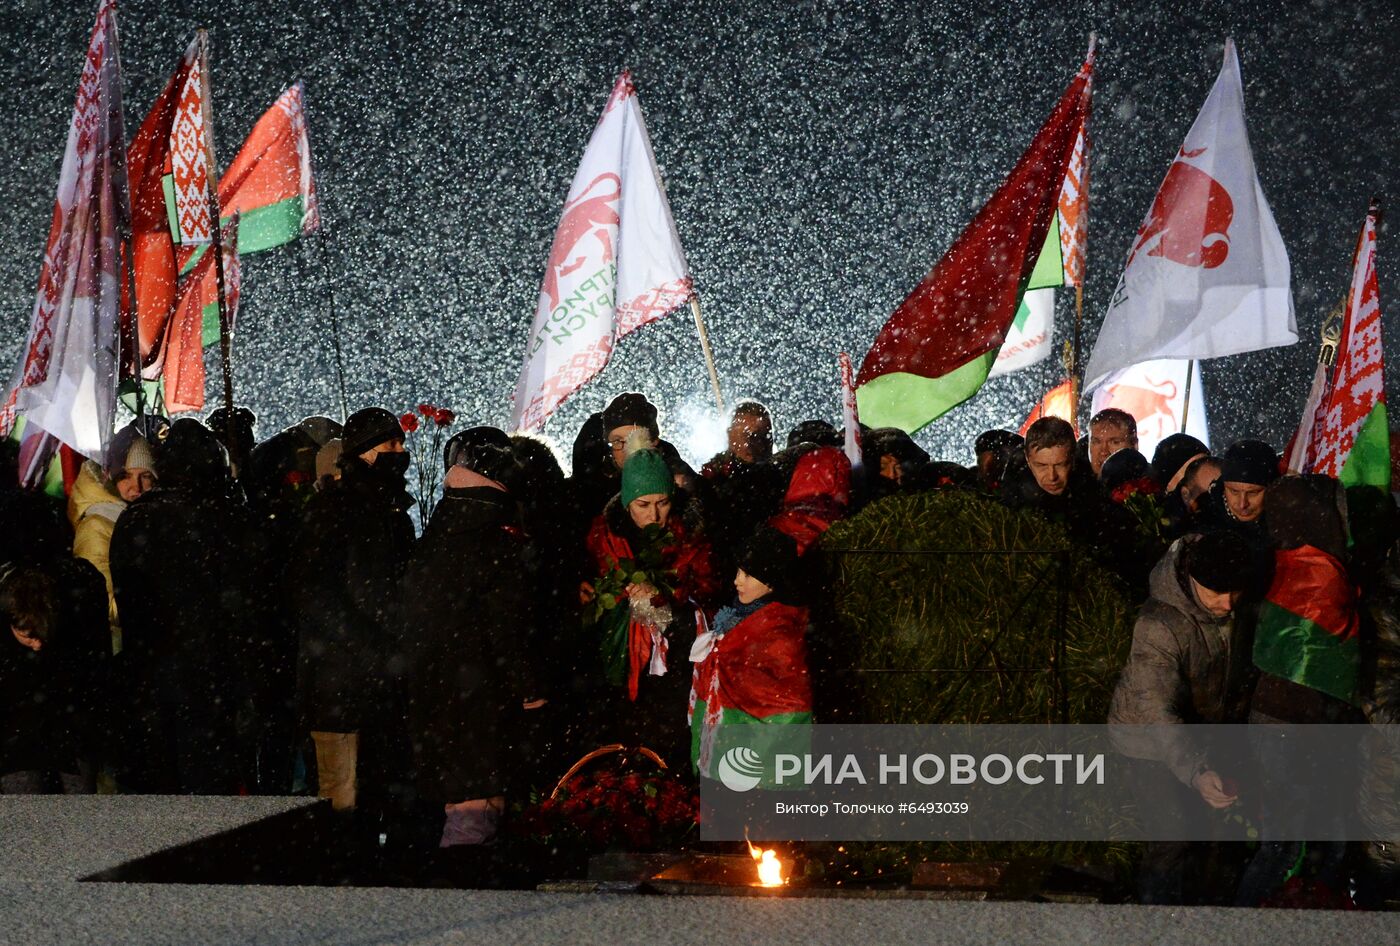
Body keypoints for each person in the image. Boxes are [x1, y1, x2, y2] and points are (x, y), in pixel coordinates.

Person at [109, 419, 276, 794]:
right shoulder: (226, 519)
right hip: (212, 683)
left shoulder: (135, 520)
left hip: (153, 683)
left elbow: (131, 601)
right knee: (211, 795)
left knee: (163, 792)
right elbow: (246, 607)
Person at [400, 427, 545, 847]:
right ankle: (469, 889)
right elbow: (508, 628)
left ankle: (449, 887)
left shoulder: (434, 538)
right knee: (478, 809)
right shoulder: (498, 545)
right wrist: (530, 687)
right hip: (483, 694)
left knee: (457, 801)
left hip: (434, 692)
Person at [1109, 531, 1258, 904]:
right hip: (1149, 742)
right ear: (1192, 580)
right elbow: (1157, 708)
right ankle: (1154, 917)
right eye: (1215, 593)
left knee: (1217, 834)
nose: (1227, 604)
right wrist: (1196, 770)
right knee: (1173, 832)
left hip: (1208, 731)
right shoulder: (1158, 625)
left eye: (1235, 592)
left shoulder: (1238, 606)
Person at [1236, 475, 1362, 905]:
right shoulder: (1321, 574)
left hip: (1277, 719)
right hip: (1303, 722)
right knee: (1298, 841)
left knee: (1288, 841)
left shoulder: (1278, 562)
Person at [288, 407, 416, 813]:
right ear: (363, 451)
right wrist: (374, 646)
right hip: (340, 681)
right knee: (342, 797)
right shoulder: (332, 509)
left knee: (377, 794)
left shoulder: (393, 512)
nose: (400, 452)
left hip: (378, 682)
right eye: (389, 444)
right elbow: (318, 595)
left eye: (401, 442)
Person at [582, 446, 721, 771]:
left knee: (671, 750)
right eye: (643, 505)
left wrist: (665, 597)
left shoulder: (693, 539)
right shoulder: (604, 540)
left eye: (663, 503)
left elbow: (709, 595)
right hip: (618, 667)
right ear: (627, 502)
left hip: (676, 669)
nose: (654, 514)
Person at [690, 526, 812, 779]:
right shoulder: (734, 619)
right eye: (738, 571)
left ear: (771, 580)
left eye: (748, 574)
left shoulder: (777, 634)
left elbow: (791, 703)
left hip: (752, 760)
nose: (737, 580)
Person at [0, 558, 108, 795]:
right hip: (19, 744)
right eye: (28, 635)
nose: (37, 643)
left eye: (41, 634)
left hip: (66, 734)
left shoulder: (69, 621)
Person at [68, 421, 159, 655]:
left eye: (145, 476)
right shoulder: (97, 525)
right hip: (121, 647)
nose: (135, 487)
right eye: (125, 476)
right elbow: (102, 603)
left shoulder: (147, 516)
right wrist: (158, 606)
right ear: (111, 477)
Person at [702, 401, 775, 479]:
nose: (750, 444)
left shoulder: (779, 474)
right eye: (745, 436)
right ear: (731, 436)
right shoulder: (714, 474)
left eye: (763, 437)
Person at [1088, 409, 1139, 477]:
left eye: (1115, 442)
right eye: (1097, 442)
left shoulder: (1150, 484)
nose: (1104, 452)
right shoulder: (1078, 484)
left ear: (1134, 445)